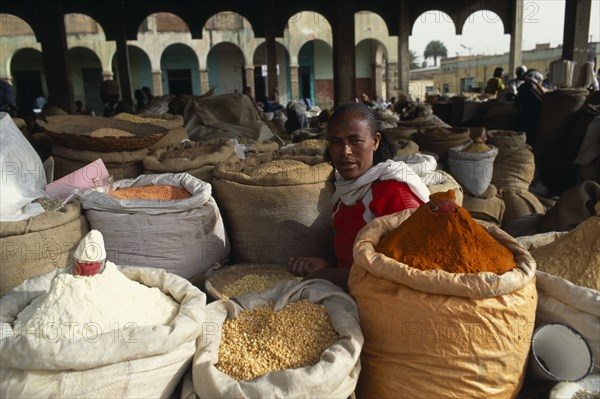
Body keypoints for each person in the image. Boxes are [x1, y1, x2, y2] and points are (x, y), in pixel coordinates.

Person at [288, 102, 430, 289]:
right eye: (336, 142)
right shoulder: (346, 190)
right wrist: (327, 265)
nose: (345, 152)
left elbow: (410, 270)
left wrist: (335, 276)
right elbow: (354, 255)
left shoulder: (394, 192)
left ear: (375, 141)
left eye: (355, 141)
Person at [515, 69, 546, 148]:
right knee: (530, 135)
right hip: (533, 115)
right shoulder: (535, 89)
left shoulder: (523, 86)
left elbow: (518, 101)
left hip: (524, 114)